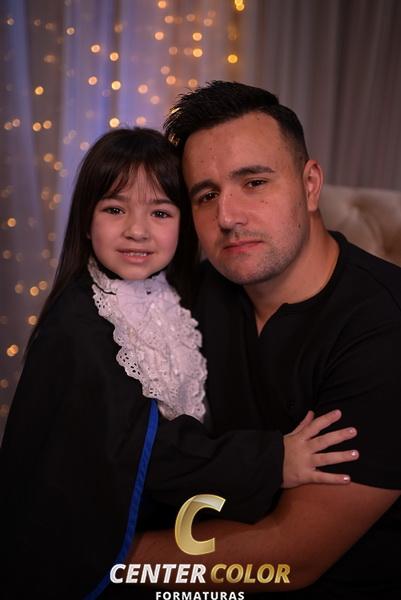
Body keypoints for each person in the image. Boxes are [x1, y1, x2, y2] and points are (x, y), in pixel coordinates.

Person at [0, 127, 357, 600]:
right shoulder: (79, 325)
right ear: (86, 221)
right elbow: (142, 451)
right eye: (114, 209)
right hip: (101, 534)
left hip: (177, 517)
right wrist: (273, 459)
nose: (137, 230)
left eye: (161, 212)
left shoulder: (176, 296)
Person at [131, 82, 401, 596]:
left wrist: (109, 558)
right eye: (206, 195)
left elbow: (292, 557)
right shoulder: (185, 296)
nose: (228, 217)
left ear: (310, 185)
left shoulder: (384, 327)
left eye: (254, 182)